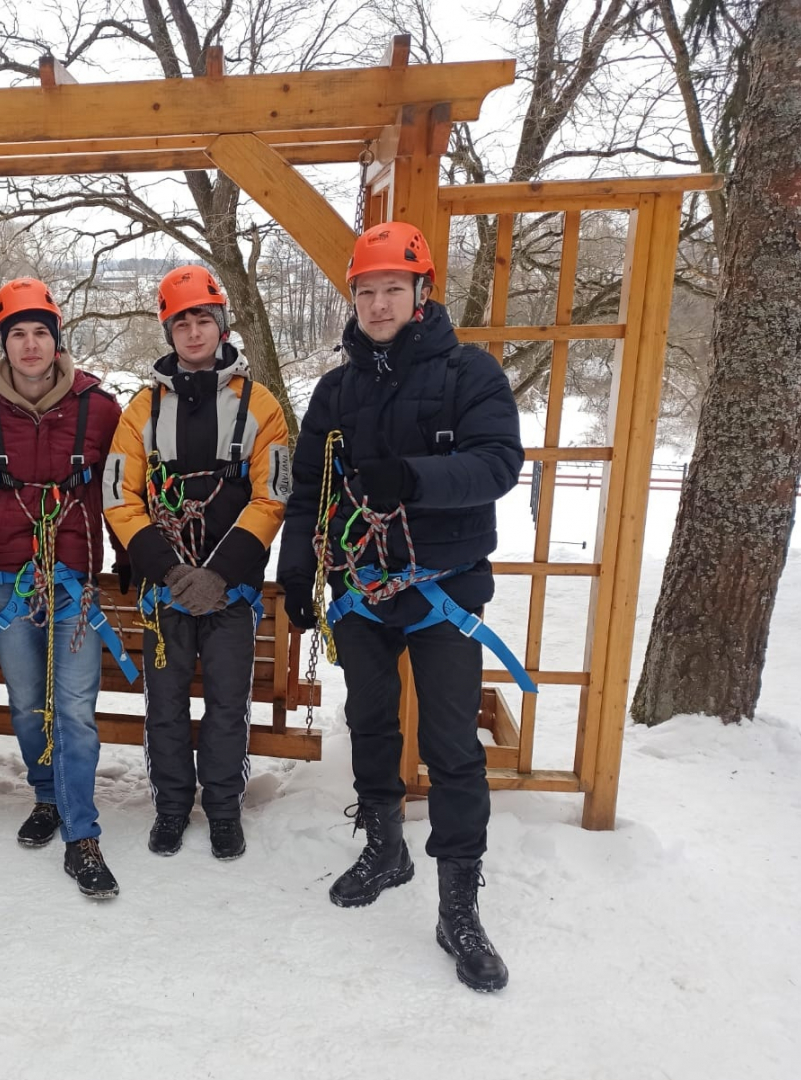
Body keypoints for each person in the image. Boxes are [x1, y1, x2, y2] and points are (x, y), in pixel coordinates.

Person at [278, 221, 525, 992]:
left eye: (393, 289)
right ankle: (385, 846)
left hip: (442, 590)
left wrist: (412, 478)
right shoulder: (337, 389)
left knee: (452, 744)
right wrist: (296, 569)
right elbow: (310, 490)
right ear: (352, 300)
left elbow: (497, 463)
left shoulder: (467, 374)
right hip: (359, 589)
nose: (378, 303)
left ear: (421, 294)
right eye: (366, 291)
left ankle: (460, 905)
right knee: (371, 722)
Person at [103, 265, 290, 861]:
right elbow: (119, 495)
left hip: (231, 593)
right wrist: (169, 570)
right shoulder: (141, 411)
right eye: (180, 322)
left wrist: (220, 573)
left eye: (202, 319)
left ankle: (223, 808)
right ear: (168, 330)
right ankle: (172, 806)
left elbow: (273, 493)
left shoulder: (259, 406)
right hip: (165, 591)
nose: (192, 332)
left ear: (221, 325)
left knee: (228, 703)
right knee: (165, 703)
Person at [0, 278, 129, 900]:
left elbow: (119, 492)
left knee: (75, 711)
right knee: (30, 705)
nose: (31, 346)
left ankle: (83, 834)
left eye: (41, 333)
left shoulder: (100, 409)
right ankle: (48, 794)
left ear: (58, 341)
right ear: (2, 342)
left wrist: (130, 553)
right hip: (8, 582)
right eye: (18, 334)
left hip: (73, 586)